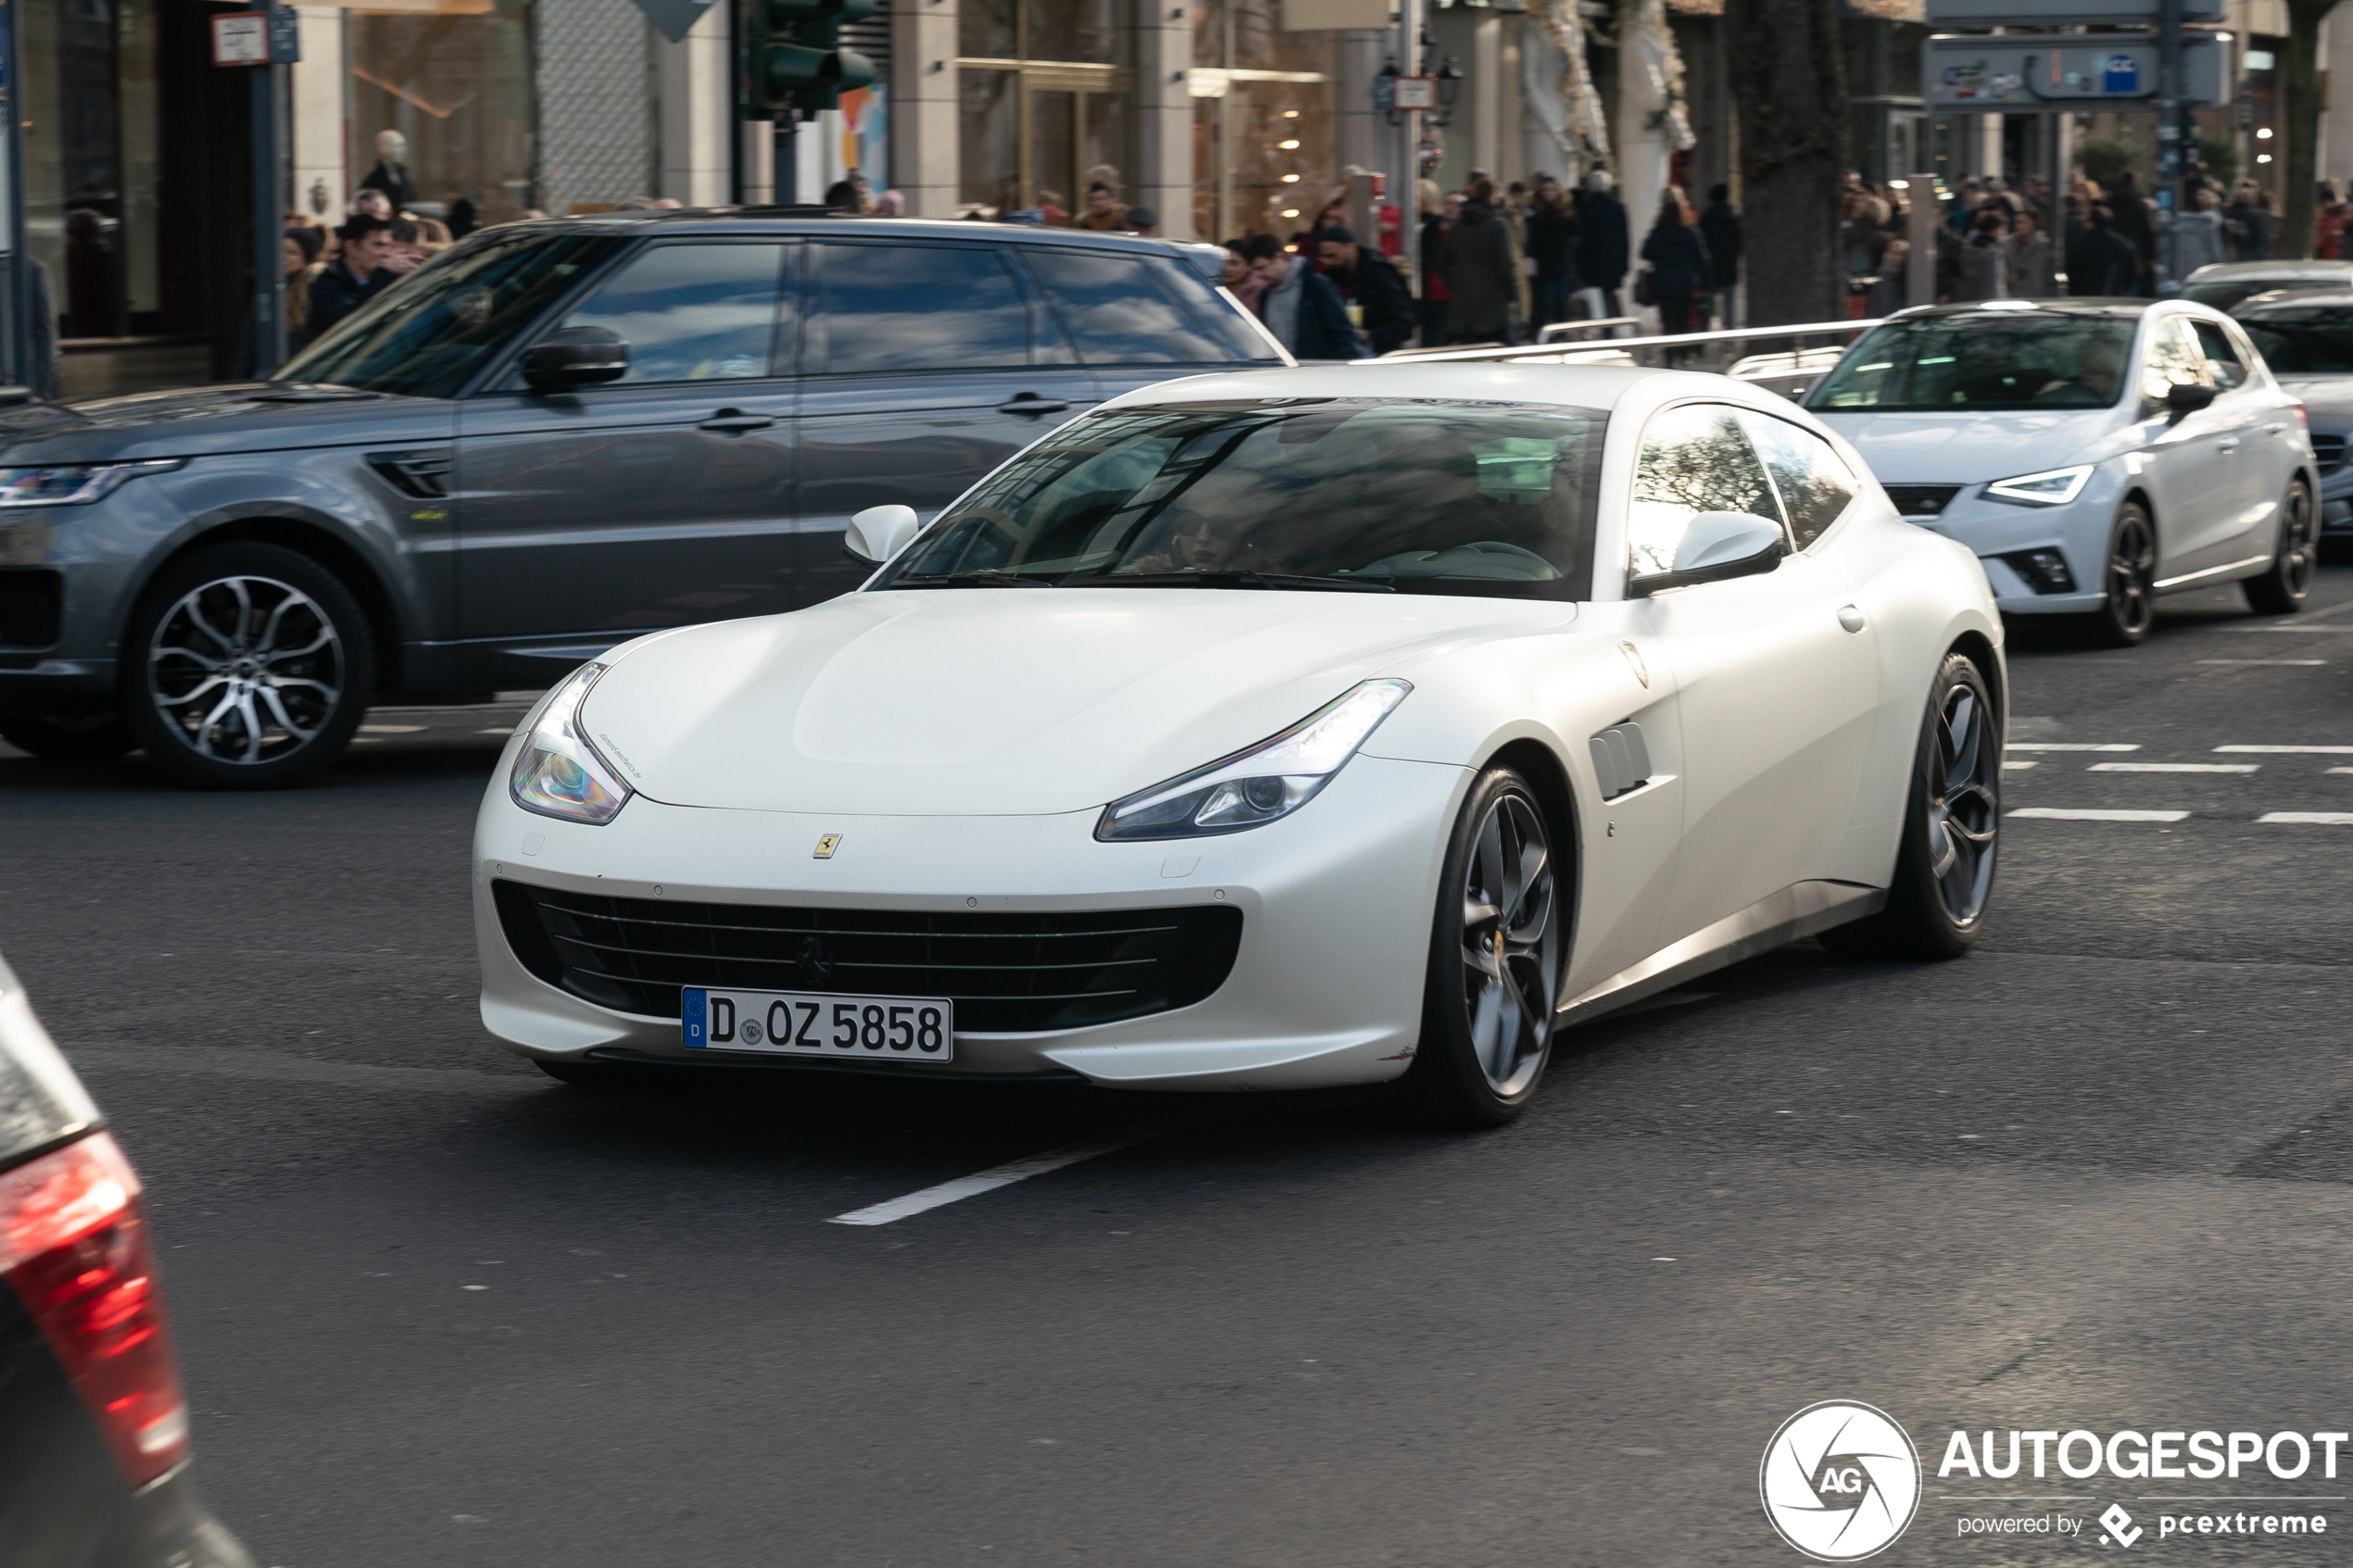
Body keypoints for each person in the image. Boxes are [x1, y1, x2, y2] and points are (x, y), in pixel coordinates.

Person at [1252, 240, 1364, 359]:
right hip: (1283, 373)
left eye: (1261, 268)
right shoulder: (1265, 296)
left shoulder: (1316, 286)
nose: (1258, 275)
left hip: (1317, 372)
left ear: (1279, 257)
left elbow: (1342, 333)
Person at [1316, 223, 1416, 354]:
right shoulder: (1328, 278)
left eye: (1332, 255)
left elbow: (1404, 321)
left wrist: (1370, 335)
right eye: (1324, 257)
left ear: (1350, 247)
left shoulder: (1381, 274)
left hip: (1379, 354)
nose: (1328, 262)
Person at [1441, 178, 1519, 345]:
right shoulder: (1495, 227)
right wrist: (1511, 294)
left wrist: (1455, 285)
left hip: (1462, 306)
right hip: (1492, 307)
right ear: (1490, 196)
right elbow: (1504, 266)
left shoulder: (1456, 228)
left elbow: (1442, 263)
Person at [308, 215, 399, 338]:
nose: (387, 253)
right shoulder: (328, 284)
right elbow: (348, 325)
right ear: (351, 248)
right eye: (378, 245)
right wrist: (383, 273)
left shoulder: (390, 278)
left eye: (389, 246)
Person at [1638, 193, 1712, 335]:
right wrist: (1708, 284)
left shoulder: (1657, 234)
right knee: (1684, 319)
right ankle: (1683, 352)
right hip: (1685, 283)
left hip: (1663, 283)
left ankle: (1670, 354)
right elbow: (1701, 260)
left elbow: (1645, 253)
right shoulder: (1690, 235)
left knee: (1668, 320)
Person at [1573, 170, 1629, 320]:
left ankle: (1603, 326)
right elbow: (1624, 238)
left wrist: (1580, 264)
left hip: (1593, 261)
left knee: (1597, 299)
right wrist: (1624, 263)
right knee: (1609, 295)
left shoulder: (1585, 208)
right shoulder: (1618, 207)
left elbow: (1582, 239)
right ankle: (1610, 327)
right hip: (1613, 261)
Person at [1526, 175, 1578, 333]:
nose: (1549, 193)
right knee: (1544, 305)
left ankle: (1560, 335)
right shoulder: (1535, 215)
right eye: (1546, 190)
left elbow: (1575, 237)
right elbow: (1531, 242)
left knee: (1561, 303)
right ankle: (1544, 335)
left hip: (1561, 266)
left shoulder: (1566, 214)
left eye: (1552, 189)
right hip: (1542, 268)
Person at [2066, 204, 2143, 297]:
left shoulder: (2081, 243)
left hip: (2085, 296)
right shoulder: (2123, 244)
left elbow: (2072, 270)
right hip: (2114, 294)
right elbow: (2135, 272)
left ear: (2092, 223)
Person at [1418, 185, 1458, 347]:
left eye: (1456, 205)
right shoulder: (1429, 230)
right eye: (1448, 203)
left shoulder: (1462, 233)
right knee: (1427, 343)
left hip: (1451, 297)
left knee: (1442, 343)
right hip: (1429, 295)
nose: (1451, 208)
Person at [1698, 183, 1741, 330]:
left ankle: (1704, 337)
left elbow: (1702, 242)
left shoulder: (1706, 217)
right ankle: (1729, 337)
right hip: (1729, 265)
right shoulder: (1733, 218)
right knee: (1729, 307)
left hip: (1710, 267)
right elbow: (1739, 243)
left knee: (1707, 304)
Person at [2107, 170, 2156, 295]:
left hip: (2114, 249)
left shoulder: (2112, 202)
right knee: (2134, 284)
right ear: (2135, 182)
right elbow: (2147, 230)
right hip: (2137, 251)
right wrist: (2151, 256)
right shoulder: (2139, 204)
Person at [1953, 206, 2008, 301]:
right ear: (1994, 230)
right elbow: (1995, 284)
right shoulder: (1992, 253)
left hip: (1968, 301)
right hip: (1989, 304)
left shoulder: (1966, 249)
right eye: (2001, 228)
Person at [283, 227, 323, 353]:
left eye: (292, 253)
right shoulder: (269, 290)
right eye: (281, 251)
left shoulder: (315, 292)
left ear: (305, 259)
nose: (284, 257)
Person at [2175, 186, 2228, 281]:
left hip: (2178, 269)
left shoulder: (2173, 224)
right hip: (2202, 271)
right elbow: (2215, 252)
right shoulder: (2206, 224)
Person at [358, 130, 414, 213]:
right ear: (382, 148)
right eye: (398, 146)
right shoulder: (373, 181)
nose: (403, 150)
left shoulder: (403, 176)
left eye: (403, 146)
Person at [2004, 207, 2057, 296]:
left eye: (2023, 223)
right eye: (2016, 222)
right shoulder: (2007, 243)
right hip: (2011, 294)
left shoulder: (2043, 244)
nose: (2018, 226)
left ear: (2032, 223)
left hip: (2035, 294)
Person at [1223, 237, 1266, 315]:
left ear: (1249, 266)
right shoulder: (1210, 287)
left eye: (1234, 263)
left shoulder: (1259, 292)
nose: (1227, 268)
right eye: (1224, 262)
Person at [2318, 181, 2353, 260]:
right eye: (2345, 213)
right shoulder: (2333, 221)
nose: (2347, 217)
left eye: (2350, 213)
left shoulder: (2333, 222)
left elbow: (2320, 242)